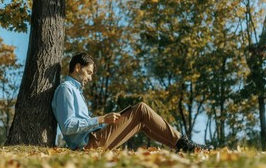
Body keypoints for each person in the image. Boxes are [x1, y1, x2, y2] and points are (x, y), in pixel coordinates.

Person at [51, 52, 202, 152]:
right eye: (89, 72)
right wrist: (102, 119)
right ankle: (184, 144)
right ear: (77, 67)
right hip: (90, 144)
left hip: (94, 139)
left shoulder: (76, 91)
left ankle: (182, 147)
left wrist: (104, 123)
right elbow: (67, 126)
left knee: (142, 121)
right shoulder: (66, 89)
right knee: (141, 109)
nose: (90, 78)